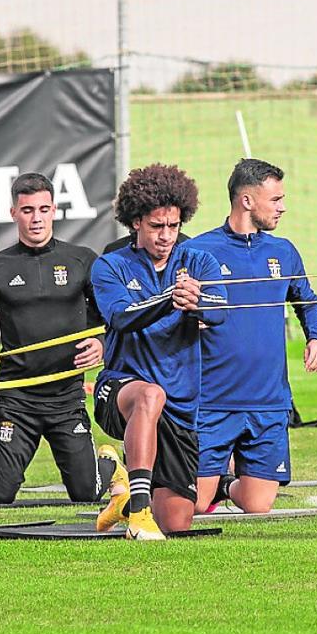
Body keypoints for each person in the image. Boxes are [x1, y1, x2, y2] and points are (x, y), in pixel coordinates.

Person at [0, 172, 112, 504]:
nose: (36, 218)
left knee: (87, 494)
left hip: (66, 397)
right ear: (14, 213)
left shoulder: (82, 260)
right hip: (16, 398)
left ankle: (109, 462)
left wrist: (102, 344)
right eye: (28, 210)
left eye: (43, 209)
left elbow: (111, 318)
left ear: (54, 210)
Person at [91, 164, 227, 539]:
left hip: (181, 402)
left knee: (177, 523)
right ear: (136, 221)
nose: (166, 236)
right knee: (150, 395)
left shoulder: (198, 261)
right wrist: (170, 298)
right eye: (156, 226)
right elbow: (120, 317)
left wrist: (196, 303)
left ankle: (122, 503)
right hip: (121, 388)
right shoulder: (110, 265)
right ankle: (138, 509)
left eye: (173, 226)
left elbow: (220, 311)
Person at [187, 158, 317, 514]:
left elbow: (310, 302)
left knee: (258, 504)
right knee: (195, 504)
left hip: (269, 402)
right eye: (275, 199)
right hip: (213, 402)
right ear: (247, 201)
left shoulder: (283, 251)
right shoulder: (198, 251)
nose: (282, 207)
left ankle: (224, 484)